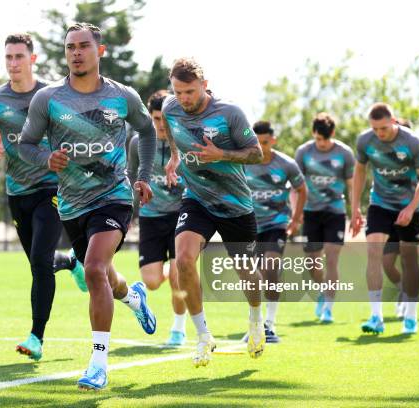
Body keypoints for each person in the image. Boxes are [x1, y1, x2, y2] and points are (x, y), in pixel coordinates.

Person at [18, 23, 158, 390]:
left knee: (94, 267)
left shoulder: (122, 96)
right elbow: (26, 145)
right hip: (71, 204)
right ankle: (133, 296)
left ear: (101, 50)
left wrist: (142, 175)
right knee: (104, 276)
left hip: (113, 195)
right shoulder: (47, 99)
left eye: (83, 46)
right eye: (70, 47)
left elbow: (147, 130)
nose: (76, 53)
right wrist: (47, 158)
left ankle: (98, 364)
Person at [0, 33, 86, 363]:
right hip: (17, 193)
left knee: (39, 260)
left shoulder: (51, 95)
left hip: (52, 189)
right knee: (40, 264)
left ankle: (36, 337)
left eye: (19, 57)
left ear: (32, 59)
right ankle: (69, 262)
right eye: (8, 57)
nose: (13, 63)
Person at [162, 57, 264, 366]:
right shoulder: (169, 109)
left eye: (190, 92)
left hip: (235, 204)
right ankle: (203, 336)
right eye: (178, 92)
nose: (184, 99)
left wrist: (222, 154)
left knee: (247, 273)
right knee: (183, 260)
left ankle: (256, 319)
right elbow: (172, 133)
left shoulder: (229, 114)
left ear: (204, 86)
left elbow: (257, 154)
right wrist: (175, 157)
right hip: (197, 199)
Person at [350, 103, 419, 335]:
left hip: (408, 205)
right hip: (380, 203)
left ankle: (411, 315)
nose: (379, 133)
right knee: (373, 251)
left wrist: (412, 208)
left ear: (393, 121)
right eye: (375, 129)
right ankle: (376, 316)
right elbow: (359, 172)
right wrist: (355, 209)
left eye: (383, 128)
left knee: (409, 258)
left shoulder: (412, 142)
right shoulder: (365, 141)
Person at [128, 90, 188, 346]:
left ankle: (179, 328)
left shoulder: (185, 142)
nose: (161, 125)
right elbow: (131, 176)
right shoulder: (137, 143)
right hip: (150, 218)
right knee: (151, 282)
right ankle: (167, 269)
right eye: (155, 119)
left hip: (179, 216)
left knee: (178, 276)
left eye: (165, 118)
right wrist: (129, 211)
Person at [244, 121, 306, 342]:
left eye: (266, 142)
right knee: (252, 276)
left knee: (270, 267)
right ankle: (256, 323)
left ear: (273, 140)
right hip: (249, 225)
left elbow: (301, 189)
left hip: (276, 225)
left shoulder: (286, 164)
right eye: (258, 142)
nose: (262, 146)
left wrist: (296, 219)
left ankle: (270, 324)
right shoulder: (245, 162)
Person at [295, 113, 355, 323]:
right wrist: (297, 212)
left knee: (331, 258)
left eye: (326, 139)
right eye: (319, 139)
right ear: (313, 134)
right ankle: (323, 290)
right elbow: (297, 186)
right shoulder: (303, 152)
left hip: (335, 212)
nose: (322, 144)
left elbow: (352, 184)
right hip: (311, 212)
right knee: (312, 263)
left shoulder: (344, 153)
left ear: (333, 135)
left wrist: (356, 211)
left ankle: (328, 307)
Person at [381, 118, 419, 318]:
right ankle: (404, 289)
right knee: (387, 263)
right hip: (392, 218)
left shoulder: (418, 161)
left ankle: (409, 301)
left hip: (412, 217)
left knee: (407, 262)